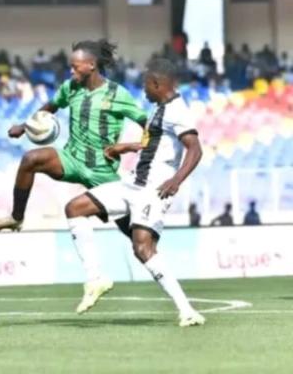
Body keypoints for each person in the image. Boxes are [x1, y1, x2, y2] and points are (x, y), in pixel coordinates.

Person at [0, 39, 147, 313]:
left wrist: (132, 146)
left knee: (137, 240)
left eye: (75, 66)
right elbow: (50, 106)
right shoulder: (70, 88)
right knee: (31, 159)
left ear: (91, 65)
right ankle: (17, 217)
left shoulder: (117, 94)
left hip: (102, 171)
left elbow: (147, 125)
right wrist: (25, 126)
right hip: (72, 159)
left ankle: (162, 274)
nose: (71, 71)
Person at [63, 57, 205, 327]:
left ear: (157, 84)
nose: (143, 90)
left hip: (153, 190)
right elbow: (155, 144)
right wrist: (125, 147)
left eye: (146, 85)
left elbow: (195, 148)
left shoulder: (178, 111)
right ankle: (95, 279)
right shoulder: (159, 109)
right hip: (132, 183)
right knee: (75, 208)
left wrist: (176, 179)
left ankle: (186, 310)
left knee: (142, 248)